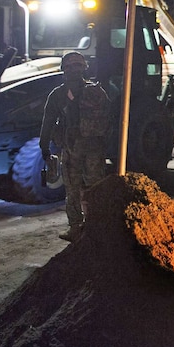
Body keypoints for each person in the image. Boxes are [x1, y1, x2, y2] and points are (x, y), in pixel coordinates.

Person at [39, 51, 111, 242]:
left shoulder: (57, 95)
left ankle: (76, 227)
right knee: (95, 186)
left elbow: (47, 123)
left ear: (63, 69)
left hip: (72, 148)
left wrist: (44, 148)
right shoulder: (97, 92)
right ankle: (96, 225)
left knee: (72, 188)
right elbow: (109, 120)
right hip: (94, 147)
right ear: (84, 68)